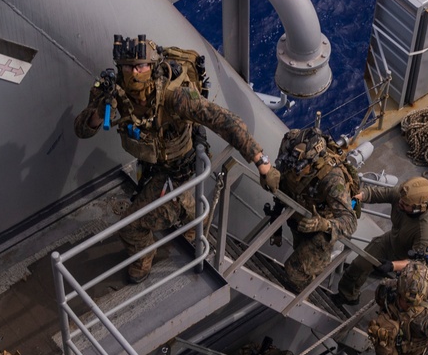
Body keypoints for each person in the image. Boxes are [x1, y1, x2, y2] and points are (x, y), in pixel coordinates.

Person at [75, 35, 280, 283]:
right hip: (154, 166)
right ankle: (193, 221)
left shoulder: (175, 96)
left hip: (178, 173)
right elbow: (82, 129)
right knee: (182, 213)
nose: (134, 73)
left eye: (140, 66)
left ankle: (144, 260)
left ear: (152, 66)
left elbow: (228, 123)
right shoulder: (113, 91)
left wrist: (263, 163)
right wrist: (100, 111)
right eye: (128, 67)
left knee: (131, 228)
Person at [274, 126, 359, 291]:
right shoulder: (290, 142)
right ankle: (311, 268)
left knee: (295, 272)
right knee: (299, 250)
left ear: (313, 162)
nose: (294, 169)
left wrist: (324, 225)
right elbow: (282, 178)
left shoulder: (332, 179)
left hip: (321, 227)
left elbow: (350, 222)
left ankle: (301, 293)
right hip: (300, 213)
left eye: (301, 166)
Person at [336, 175, 428, 306]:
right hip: (391, 242)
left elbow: (419, 262)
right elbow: (375, 194)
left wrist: (392, 266)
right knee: (359, 265)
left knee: (400, 298)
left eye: (405, 204)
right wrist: (354, 201)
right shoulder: (402, 197)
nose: (400, 203)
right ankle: (347, 296)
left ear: (419, 208)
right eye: (401, 200)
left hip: (414, 265)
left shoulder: (427, 229)